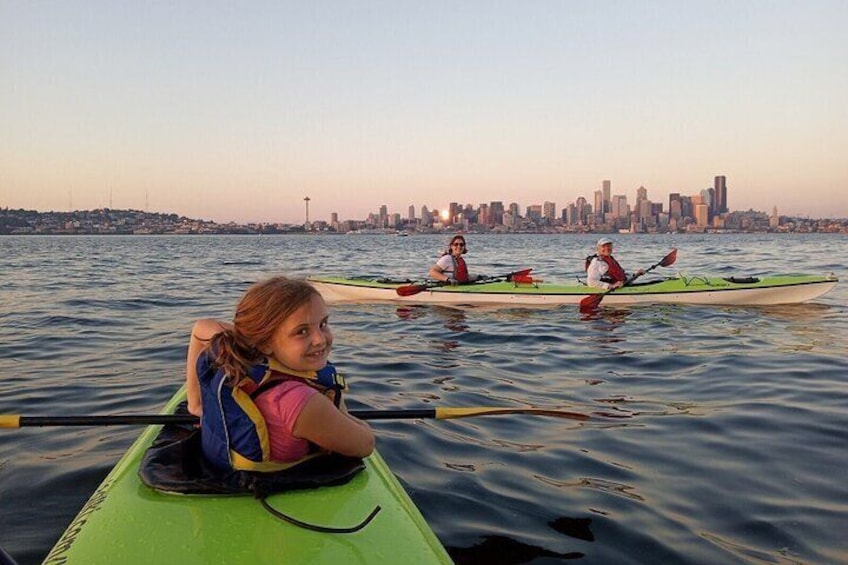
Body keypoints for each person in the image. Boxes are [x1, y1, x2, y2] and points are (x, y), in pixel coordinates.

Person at [184, 276, 374, 472]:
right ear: (265, 343)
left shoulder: (243, 347)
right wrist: (335, 399)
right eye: (302, 331)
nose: (319, 339)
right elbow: (366, 444)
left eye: (323, 324)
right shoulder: (301, 402)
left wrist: (196, 404)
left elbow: (201, 327)